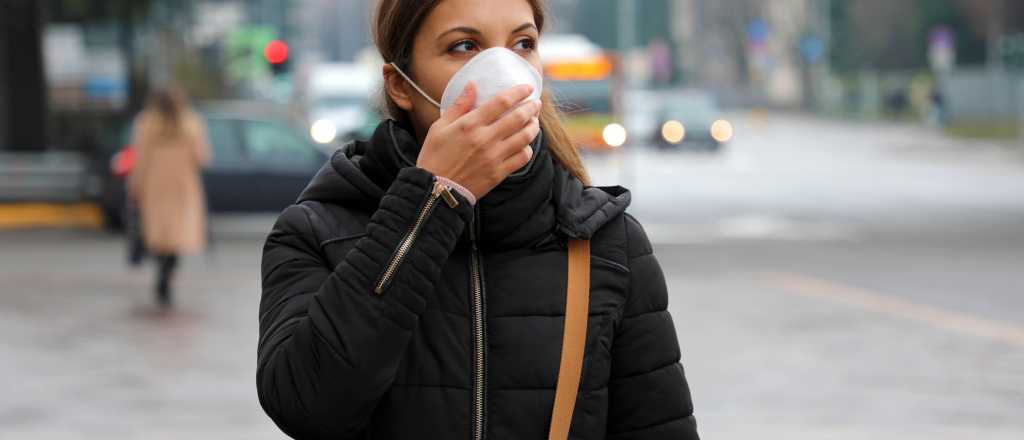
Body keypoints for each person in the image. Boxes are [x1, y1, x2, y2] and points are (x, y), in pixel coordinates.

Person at [257, 0, 699, 438]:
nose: (503, 72)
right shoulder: (316, 231)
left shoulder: (606, 243)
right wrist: (431, 202)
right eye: (465, 46)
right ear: (400, 85)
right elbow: (307, 407)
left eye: (522, 44)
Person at [128, 88, 211, 307]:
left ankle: (161, 270)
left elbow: (140, 159)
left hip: (155, 185)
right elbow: (202, 158)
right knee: (177, 235)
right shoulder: (191, 124)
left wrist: (135, 186)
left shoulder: (146, 123)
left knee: (159, 234)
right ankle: (168, 272)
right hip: (183, 186)